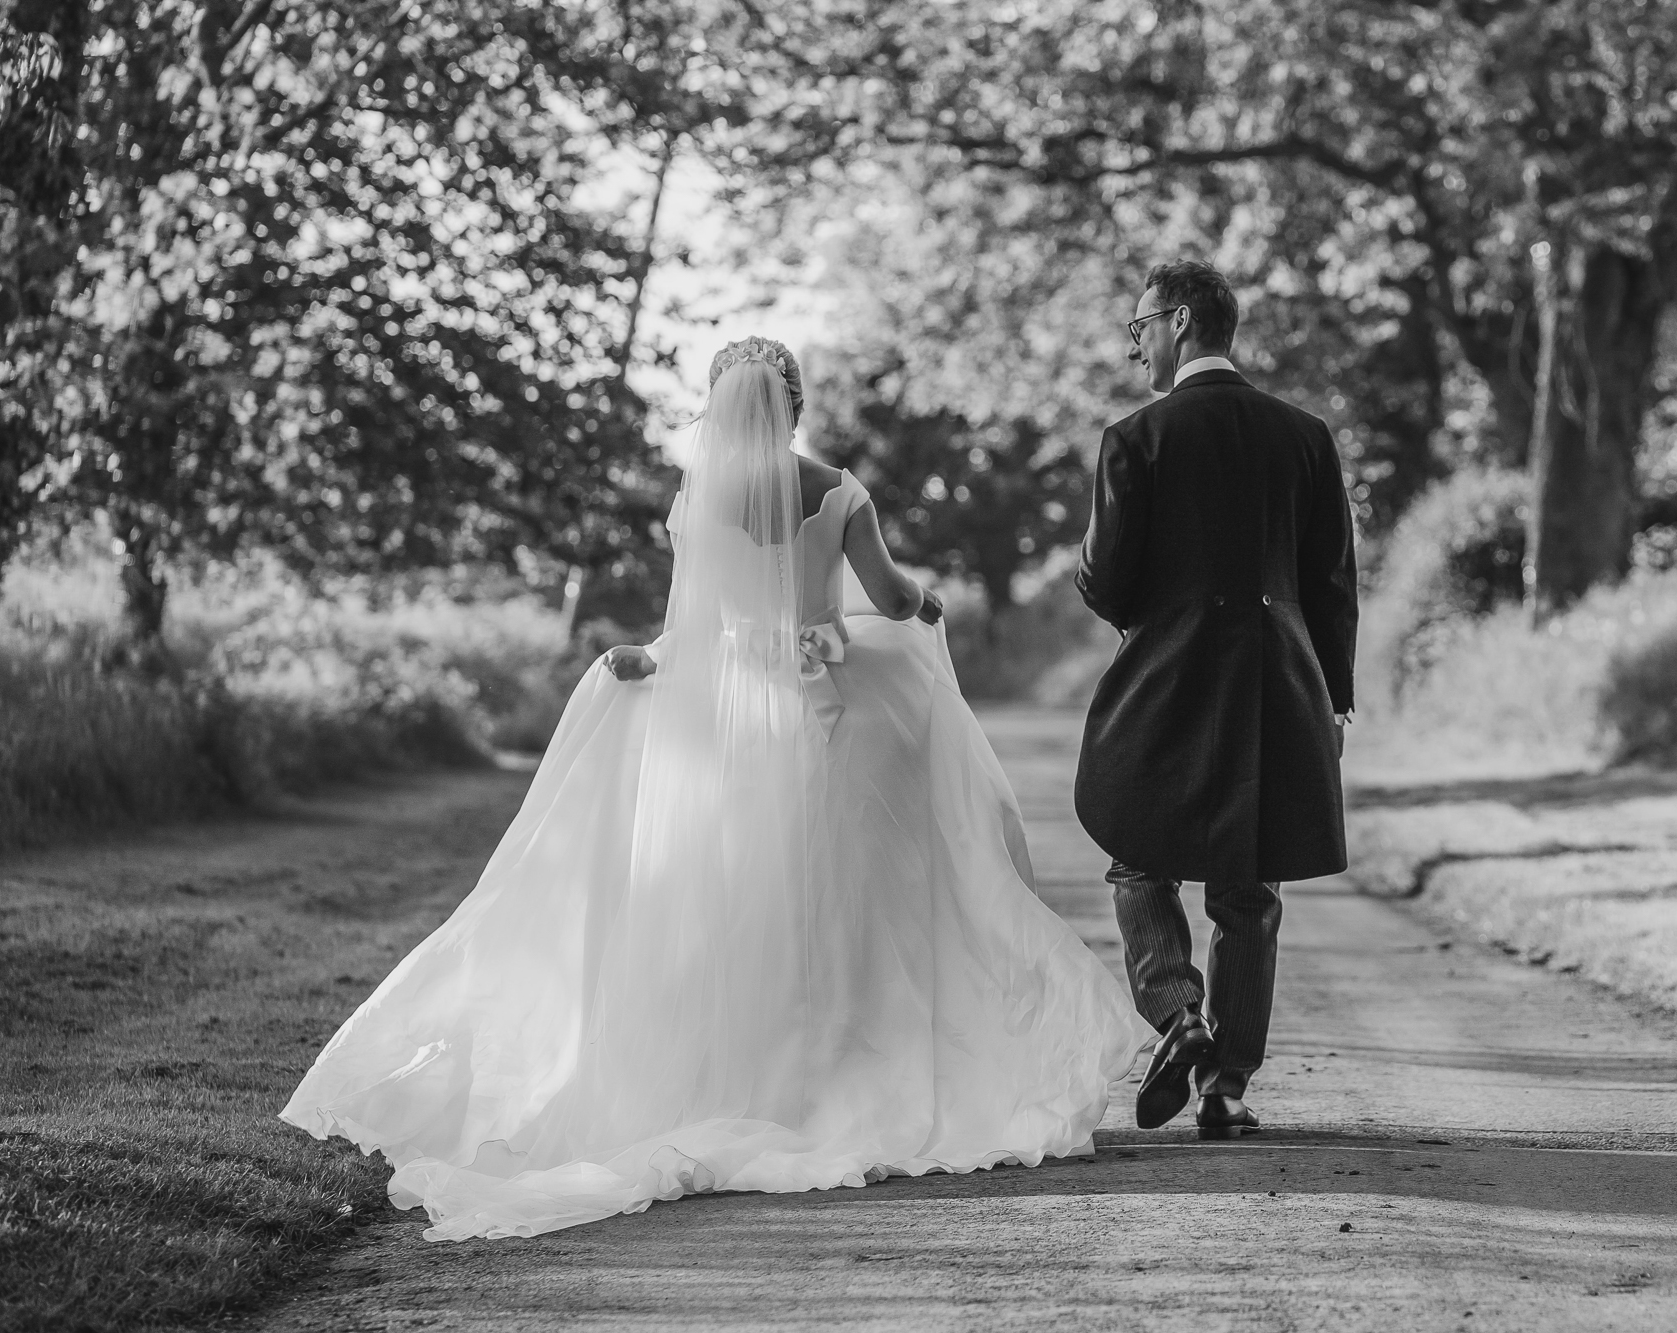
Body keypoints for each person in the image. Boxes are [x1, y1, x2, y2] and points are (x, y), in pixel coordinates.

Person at [283, 337, 1148, 1241]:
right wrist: (926, 605)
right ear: (797, 405)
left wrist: (648, 659)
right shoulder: (838, 490)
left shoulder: (698, 502)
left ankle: (742, 1076)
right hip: (832, 710)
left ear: (717, 405)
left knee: (736, 899)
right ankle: (843, 1071)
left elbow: (688, 624)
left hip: (727, 721)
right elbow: (889, 602)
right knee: (855, 900)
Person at [1076, 261, 1358, 1140]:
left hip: (1168, 671)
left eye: (1140, 328)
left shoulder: (1135, 438)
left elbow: (1106, 581)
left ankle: (1179, 1014)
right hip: (1278, 679)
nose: (1136, 348)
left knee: (1135, 854)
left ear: (1183, 323)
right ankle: (1226, 1086)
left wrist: (1120, 586)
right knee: (1249, 886)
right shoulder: (1305, 436)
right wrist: (1335, 699)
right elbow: (1332, 581)